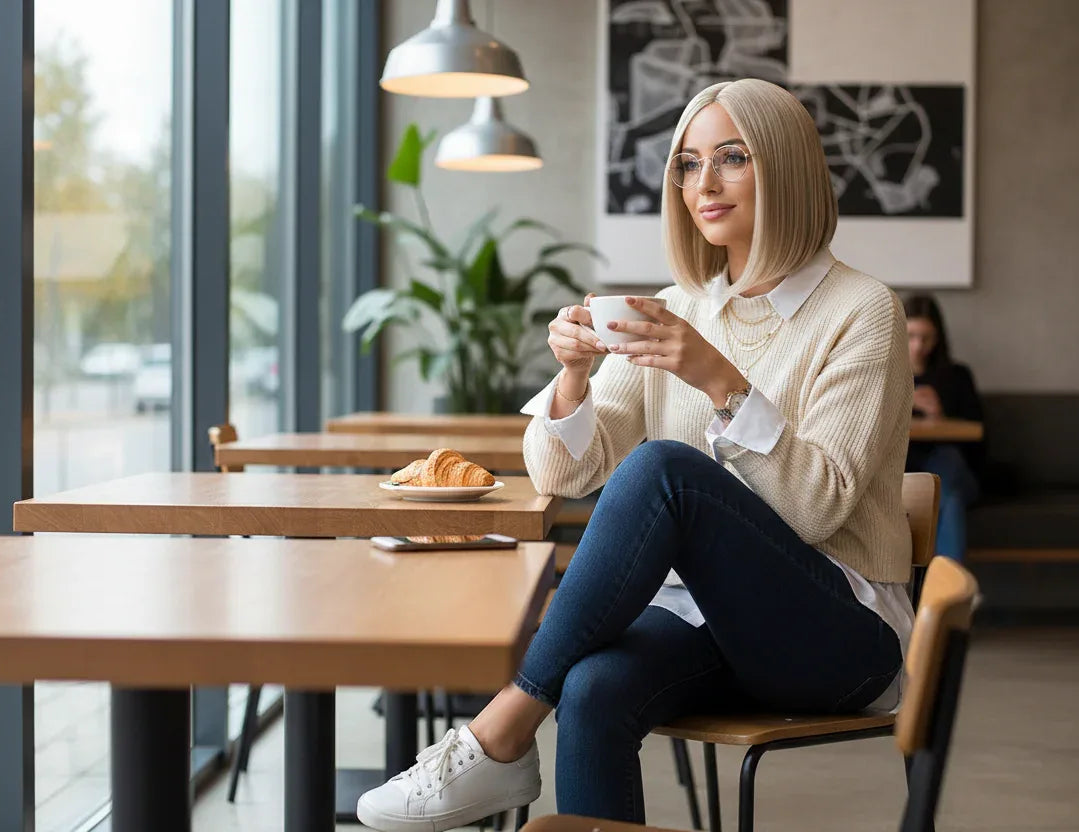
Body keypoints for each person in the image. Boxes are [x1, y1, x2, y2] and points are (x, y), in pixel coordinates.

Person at [357, 78, 914, 830]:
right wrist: (572, 376)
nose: (703, 184)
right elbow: (564, 474)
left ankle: (500, 731)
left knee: (663, 471)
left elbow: (817, 509)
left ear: (784, 167)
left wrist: (719, 381)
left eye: (732, 158)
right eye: (688, 163)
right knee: (592, 689)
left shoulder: (863, 311)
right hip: (707, 621)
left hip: (841, 636)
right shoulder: (675, 309)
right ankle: (511, 734)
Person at [903, 294, 984, 561]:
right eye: (911, 336)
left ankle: (939, 583)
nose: (918, 346)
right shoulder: (883, 376)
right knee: (946, 494)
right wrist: (903, 401)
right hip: (903, 467)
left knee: (945, 481)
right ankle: (944, 583)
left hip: (952, 467)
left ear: (938, 338)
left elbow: (979, 442)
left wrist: (940, 415)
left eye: (926, 338)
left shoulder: (957, 377)